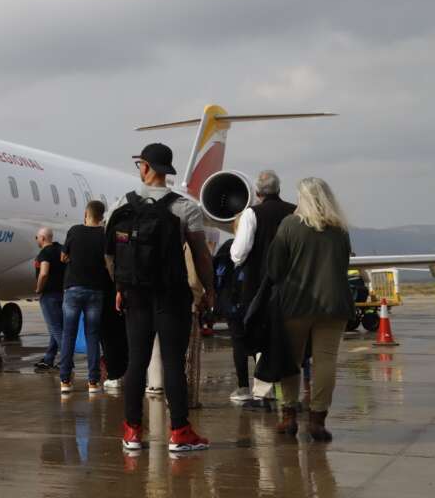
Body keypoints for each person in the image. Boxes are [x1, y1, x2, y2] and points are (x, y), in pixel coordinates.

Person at [106, 143, 215, 452]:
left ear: (144, 167)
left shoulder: (120, 206)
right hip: (172, 295)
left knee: (136, 362)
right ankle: (180, 432)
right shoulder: (184, 208)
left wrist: (119, 287)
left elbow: (110, 253)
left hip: (135, 295)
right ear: (166, 171)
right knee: (171, 363)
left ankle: (132, 432)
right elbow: (201, 255)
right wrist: (209, 289)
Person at [266, 177, 353, 441]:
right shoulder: (340, 230)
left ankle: (289, 416)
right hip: (334, 305)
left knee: (290, 361)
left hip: (296, 305)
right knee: (326, 361)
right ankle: (318, 419)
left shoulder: (290, 225)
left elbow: (274, 268)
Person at [228, 170, 296, 403]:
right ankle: (290, 393)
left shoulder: (252, 214)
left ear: (257, 193)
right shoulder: (295, 211)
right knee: (290, 340)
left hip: (259, 287)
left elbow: (238, 254)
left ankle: (264, 393)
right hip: (293, 288)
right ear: (279, 190)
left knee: (262, 335)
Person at [58, 200, 110, 394]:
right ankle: (93, 382)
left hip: (73, 288)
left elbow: (63, 257)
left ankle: (65, 381)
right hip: (95, 290)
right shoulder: (104, 235)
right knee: (92, 336)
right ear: (101, 216)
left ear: (86, 214)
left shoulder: (74, 231)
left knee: (68, 334)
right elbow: (107, 262)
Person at [33, 227, 66, 373]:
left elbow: (44, 273)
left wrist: (39, 288)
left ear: (43, 238)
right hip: (62, 294)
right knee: (56, 328)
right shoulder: (60, 249)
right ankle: (48, 358)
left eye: (37, 238)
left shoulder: (44, 253)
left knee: (56, 329)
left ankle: (67, 361)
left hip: (49, 295)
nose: (36, 240)